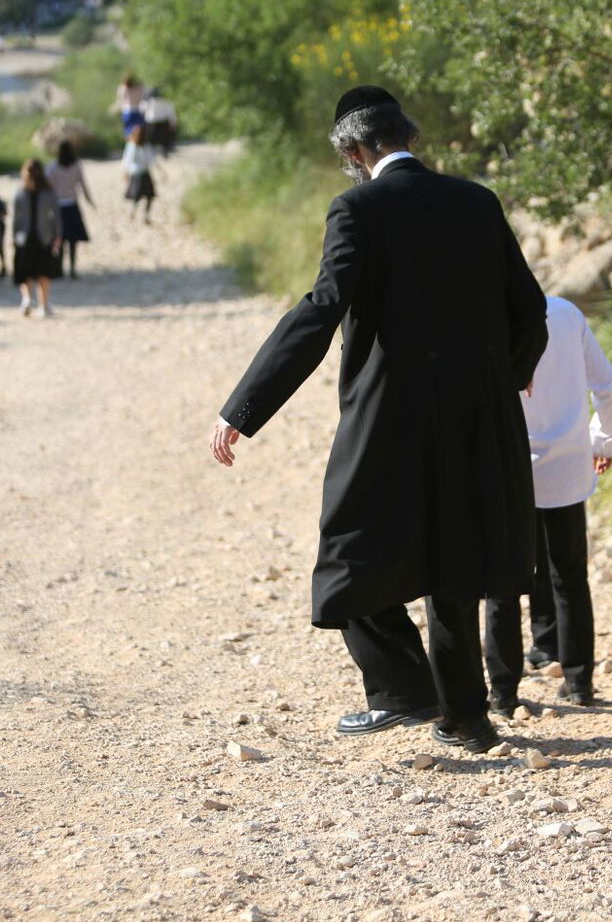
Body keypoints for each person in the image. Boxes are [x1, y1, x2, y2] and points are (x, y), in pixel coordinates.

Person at [209, 86, 548, 755]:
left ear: (354, 151)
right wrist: (502, 378)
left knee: (346, 548)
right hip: (479, 414)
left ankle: (404, 690)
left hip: (389, 416)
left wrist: (243, 407)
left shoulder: (357, 208)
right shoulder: (476, 201)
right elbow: (530, 309)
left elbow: (320, 310)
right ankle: (467, 717)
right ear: (409, 136)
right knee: (456, 557)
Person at [483, 295, 612, 715]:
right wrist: (602, 440)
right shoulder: (565, 313)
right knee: (570, 577)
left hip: (506, 469)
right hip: (567, 466)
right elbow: (610, 389)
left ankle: (503, 694)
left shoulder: (483, 316)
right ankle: (579, 684)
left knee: (502, 586)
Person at [11, 158, 63, 318]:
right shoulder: (49, 193)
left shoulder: (20, 194)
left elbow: (16, 219)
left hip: (24, 237)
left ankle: (27, 299)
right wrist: (58, 235)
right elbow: (56, 217)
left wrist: (14, 236)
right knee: (44, 273)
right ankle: (43, 305)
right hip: (44, 237)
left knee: (25, 271)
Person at [46, 140, 95, 278]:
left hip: (58, 206)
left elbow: (47, 187)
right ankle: (72, 268)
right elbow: (83, 185)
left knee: (60, 238)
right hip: (72, 206)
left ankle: (60, 269)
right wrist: (90, 200)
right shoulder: (76, 167)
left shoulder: (52, 168)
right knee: (73, 240)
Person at [122, 125, 158, 224]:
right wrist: (126, 172)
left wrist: (125, 173)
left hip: (140, 173)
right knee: (142, 196)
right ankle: (138, 214)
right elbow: (128, 160)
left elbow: (127, 161)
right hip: (139, 174)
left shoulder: (142, 145)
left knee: (143, 196)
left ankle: (141, 215)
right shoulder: (133, 145)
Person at [140, 87, 178, 155]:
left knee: (149, 141)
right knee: (167, 137)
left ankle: (149, 153)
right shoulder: (166, 103)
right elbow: (171, 116)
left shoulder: (146, 103)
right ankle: (167, 148)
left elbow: (141, 112)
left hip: (150, 124)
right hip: (162, 124)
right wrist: (173, 125)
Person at [116, 74, 145, 138]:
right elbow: (141, 98)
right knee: (138, 130)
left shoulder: (123, 89)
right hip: (137, 110)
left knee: (128, 131)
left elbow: (120, 100)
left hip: (127, 111)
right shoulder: (138, 89)